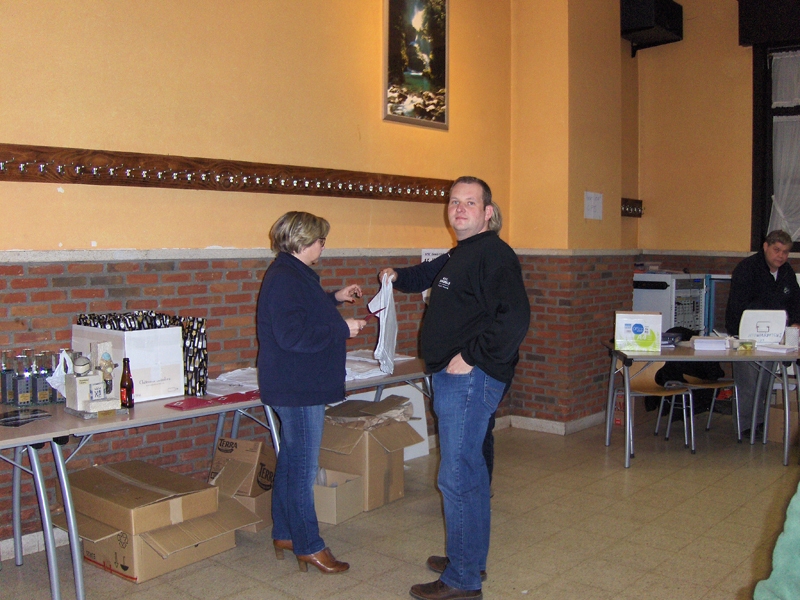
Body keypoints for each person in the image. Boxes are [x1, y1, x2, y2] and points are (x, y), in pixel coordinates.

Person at [380, 176, 530, 600]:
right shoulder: (462, 252)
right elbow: (428, 274)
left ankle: (463, 580)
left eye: (470, 202)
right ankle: (469, 559)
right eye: (454, 202)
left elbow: (515, 318)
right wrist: (396, 276)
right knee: (471, 474)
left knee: (457, 476)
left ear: (488, 213)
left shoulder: (495, 255)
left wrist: (472, 356)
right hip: (456, 377)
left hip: (468, 378)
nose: (459, 209)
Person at [256, 211, 366, 574]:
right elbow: (292, 336)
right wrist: (342, 330)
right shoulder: (286, 278)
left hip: (296, 384)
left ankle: (285, 534)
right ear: (304, 241)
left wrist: (334, 298)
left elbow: (304, 311)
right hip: (298, 387)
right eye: (321, 241)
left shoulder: (292, 272)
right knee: (303, 471)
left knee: (291, 463)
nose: (323, 247)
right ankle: (309, 545)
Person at [725, 229, 800, 437]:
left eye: (785, 252)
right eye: (777, 250)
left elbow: (795, 300)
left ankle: (759, 423)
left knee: (765, 383)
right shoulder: (747, 269)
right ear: (765, 247)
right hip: (745, 336)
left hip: (774, 338)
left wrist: (795, 322)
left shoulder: (786, 272)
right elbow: (737, 306)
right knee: (748, 383)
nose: (781, 256)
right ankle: (745, 427)